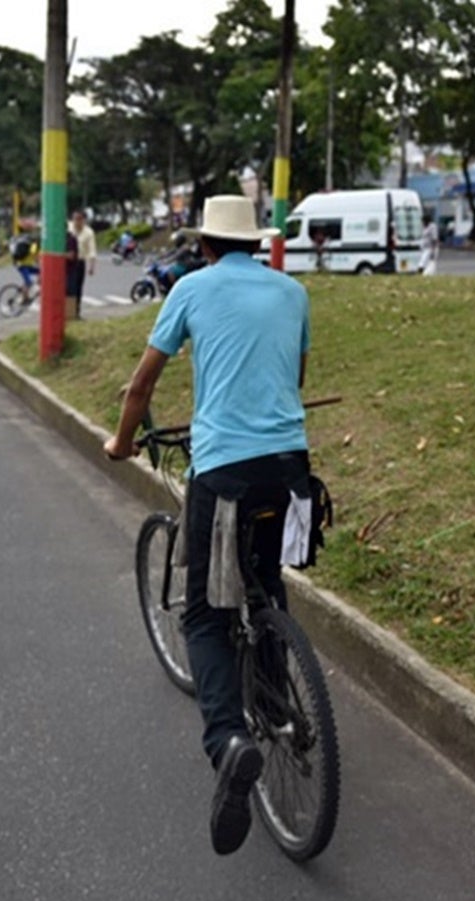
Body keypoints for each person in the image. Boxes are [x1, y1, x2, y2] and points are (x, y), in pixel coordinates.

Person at [103, 195, 310, 856]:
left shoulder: (191, 288)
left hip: (224, 472)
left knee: (204, 613)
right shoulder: (293, 292)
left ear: (207, 245)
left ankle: (229, 739)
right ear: (255, 242)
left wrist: (119, 443)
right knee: (265, 581)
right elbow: (291, 378)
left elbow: (139, 388)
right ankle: (278, 704)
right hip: (290, 469)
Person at [68, 210, 97, 319]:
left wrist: (91, 266)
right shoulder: (68, 228)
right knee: (68, 287)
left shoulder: (88, 232)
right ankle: (67, 311)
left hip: (79, 262)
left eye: (79, 219)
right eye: (75, 219)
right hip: (68, 262)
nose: (77, 222)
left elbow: (92, 251)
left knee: (77, 287)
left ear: (83, 220)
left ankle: (76, 312)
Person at [10, 231, 40, 304]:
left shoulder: (30, 244)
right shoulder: (33, 245)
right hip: (22, 266)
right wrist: (39, 262)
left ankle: (27, 289)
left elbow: (34, 256)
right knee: (29, 282)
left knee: (42, 272)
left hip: (26, 265)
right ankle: (24, 299)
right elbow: (34, 256)